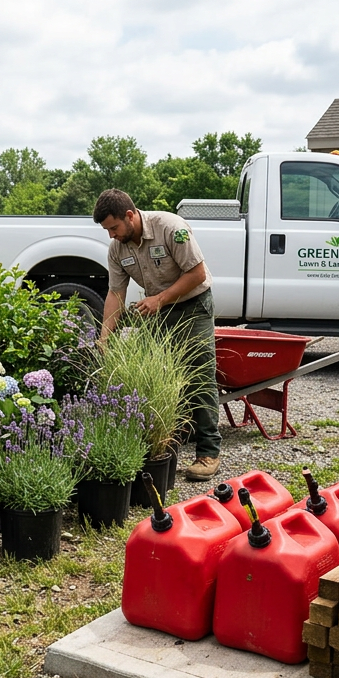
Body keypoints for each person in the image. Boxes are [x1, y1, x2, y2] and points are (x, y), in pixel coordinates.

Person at [93, 188, 221, 480]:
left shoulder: (170, 228)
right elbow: (115, 293)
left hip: (193, 305)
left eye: (113, 227)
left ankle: (208, 452)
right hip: (159, 311)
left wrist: (159, 299)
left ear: (130, 215)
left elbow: (198, 273)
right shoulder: (117, 248)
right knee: (160, 376)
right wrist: (104, 338)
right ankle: (167, 442)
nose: (111, 235)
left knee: (199, 375)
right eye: (106, 230)